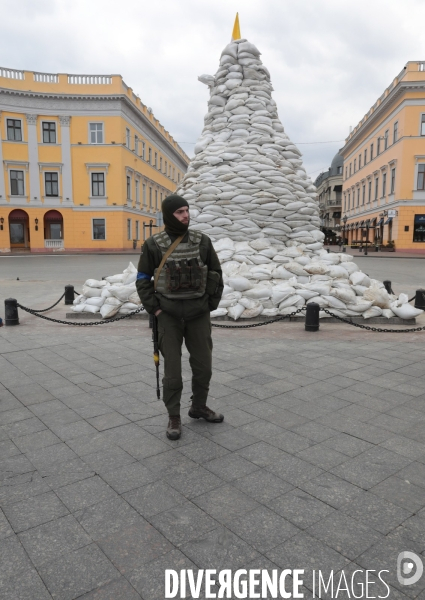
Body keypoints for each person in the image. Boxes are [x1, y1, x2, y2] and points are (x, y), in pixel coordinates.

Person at [136, 194, 224, 440]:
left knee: (204, 367)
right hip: (169, 317)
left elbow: (216, 273)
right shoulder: (154, 244)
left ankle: (198, 406)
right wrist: (155, 309)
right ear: (168, 215)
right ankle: (173, 416)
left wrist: (208, 305)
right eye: (179, 212)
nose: (186, 215)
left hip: (198, 316)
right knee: (172, 371)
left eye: (187, 210)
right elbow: (142, 280)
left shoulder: (202, 241)